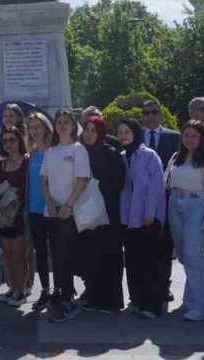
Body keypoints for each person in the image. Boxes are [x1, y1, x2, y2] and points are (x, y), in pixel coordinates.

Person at [165, 120, 204, 321]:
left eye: (194, 136)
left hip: (197, 206)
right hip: (175, 205)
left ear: (202, 138)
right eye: (186, 135)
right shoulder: (176, 158)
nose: (189, 139)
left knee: (193, 255)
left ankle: (199, 306)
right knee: (185, 256)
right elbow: (166, 183)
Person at [41, 110, 91, 322]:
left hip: (70, 211)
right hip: (52, 211)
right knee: (56, 255)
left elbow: (82, 180)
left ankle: (68, 298)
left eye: (66, 122)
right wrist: (49, 203)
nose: (62, 125)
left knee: (67, 254)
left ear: (73, 126)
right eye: (59, 122)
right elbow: (43, 180)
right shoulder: (50, 151)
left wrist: (68, 205)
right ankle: (61, 295)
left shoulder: (79, 149)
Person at [114, 117, 166, 318]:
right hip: (128, 219)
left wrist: (149, 213)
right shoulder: (121, 156)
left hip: (147, 218)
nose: (123, 136)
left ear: (135, 133)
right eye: (120, 132)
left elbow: (156, 187)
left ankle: (152, 305)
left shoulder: (149, 156)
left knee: (149, 263)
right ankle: (137, 301)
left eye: (127, 132)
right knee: (133, 262)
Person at [77, 115, 125, 314]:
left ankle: (110, 301)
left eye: (93, 130)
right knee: (90, 255)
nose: (88, 134)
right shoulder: (80, 152)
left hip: (107, 213)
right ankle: (93, 296)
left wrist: (97, 191)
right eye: (86, 129)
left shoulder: (111, 153)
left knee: (109, 256)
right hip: (85, 213)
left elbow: (118, 182)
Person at [139, 101, 179, 304]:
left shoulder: (175, 137)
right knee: (144, 246)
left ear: (161, 115)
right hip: (141, 200)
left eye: (154, 112)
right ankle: (146, 287)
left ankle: (164, 286)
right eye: (146, 113)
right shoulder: (135, 136)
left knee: (165, 245)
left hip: (166, 198)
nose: (150, 116)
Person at [0, 127, 29, 306]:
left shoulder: (27, 162)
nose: (8, 144)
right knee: (7, 255)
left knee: (19, 255)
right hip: (3, 216)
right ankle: (13, 288)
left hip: (20, 215)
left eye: (12, 140)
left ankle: (21, 291)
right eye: (5, 141)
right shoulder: (0, 165)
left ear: (19, 141)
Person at [24, 112, 55, 309]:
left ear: (46, 128)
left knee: (57, 251)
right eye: (31, 127)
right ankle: (45, 290)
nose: (35, 130)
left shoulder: (53, 151)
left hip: (52, 208)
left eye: (38, 126)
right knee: (40, 252)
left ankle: (61, 290)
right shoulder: (31, 154)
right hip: (35, 209)